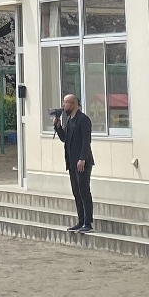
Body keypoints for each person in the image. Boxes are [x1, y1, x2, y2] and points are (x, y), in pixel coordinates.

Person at [55, 92, 95, 232]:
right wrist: (58, 127)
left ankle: (88, 223)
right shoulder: (70, 120)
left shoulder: (83, 120)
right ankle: (80, 221)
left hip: (82, 162)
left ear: (73, 104)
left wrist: (82, 158)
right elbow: (66, 139)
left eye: (65, 103)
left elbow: (86, 141)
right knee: (76, 192)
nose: (63, 106)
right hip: (72, 162)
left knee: (84, 191)